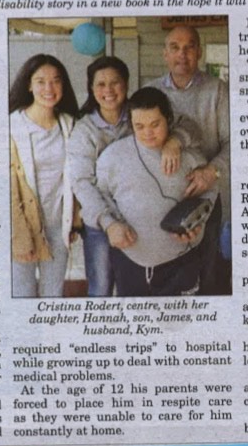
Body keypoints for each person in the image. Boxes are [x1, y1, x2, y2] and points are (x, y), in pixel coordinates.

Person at [67, 55, 195, 296]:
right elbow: (82, 183)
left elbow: (188, 125)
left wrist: (176, 140)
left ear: (126, 84)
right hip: (102, 217)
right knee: (102, 286)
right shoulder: (84, 130)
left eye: (115, 82)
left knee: (138, 286)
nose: (108, 90)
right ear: (91, 89)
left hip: (138, 217)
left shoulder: (141, 112)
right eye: (100, 84)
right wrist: (109, 223)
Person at [95, 87, 216, 296]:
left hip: (181, 261)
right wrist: (109, 224)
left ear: (168, 119)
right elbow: (99, 196)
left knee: (181, 326)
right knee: (137, 325)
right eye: (139, 126)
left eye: (155, 124)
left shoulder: (191, 158)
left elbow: (209, 193)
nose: (148, 133)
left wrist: (198, 226)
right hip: (129, 262)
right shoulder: (111, 157)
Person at [149, 24, 230, 293]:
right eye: (174, 48)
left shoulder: (218, 90)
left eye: (189, 47)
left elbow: (236, 142)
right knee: (168, 274)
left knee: (209, 273)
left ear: (200, 52)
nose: (181, 55)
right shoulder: (150, 92)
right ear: (164, 54)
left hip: (208, 195)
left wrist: (212, 172)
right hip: (162, 198)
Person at [9, 54, 78, 297]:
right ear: (29, 85)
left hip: (59, 226)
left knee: (53, 294)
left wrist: (75, 220)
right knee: (21, 294)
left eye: (56, 81)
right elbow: (6, 188)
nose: (49, 88)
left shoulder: (70, 124)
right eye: (40, 81)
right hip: (22, 226)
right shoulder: (11, 127)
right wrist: (19, 234)